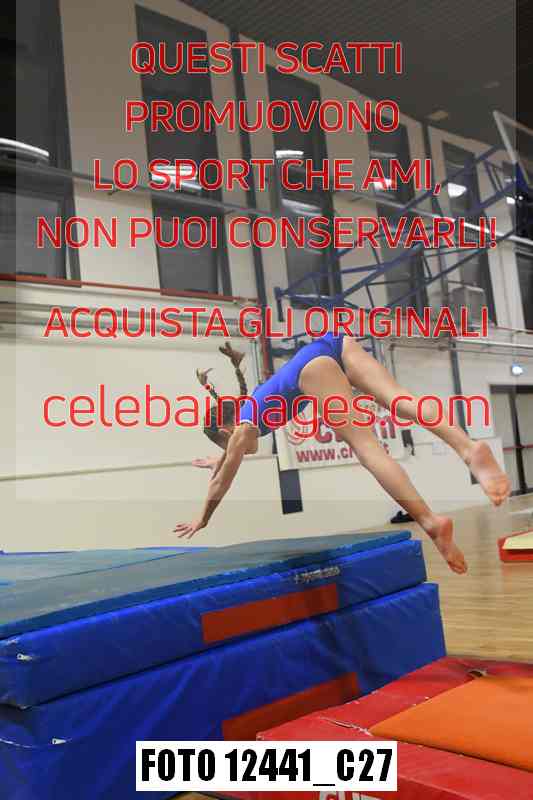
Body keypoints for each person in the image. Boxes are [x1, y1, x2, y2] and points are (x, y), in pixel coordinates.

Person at [174, 333, 511, 573]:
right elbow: (244, 449)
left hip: (312, 369)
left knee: (365, 446)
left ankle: (430, 521)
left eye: (224, 445)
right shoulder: (249, 410)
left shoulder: (243, 428)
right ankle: (468, 448)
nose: (233, 450)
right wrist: (221, 459)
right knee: (398, 399)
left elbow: (223, 480)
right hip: (334, 343)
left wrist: (203, 517)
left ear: (225, 431)